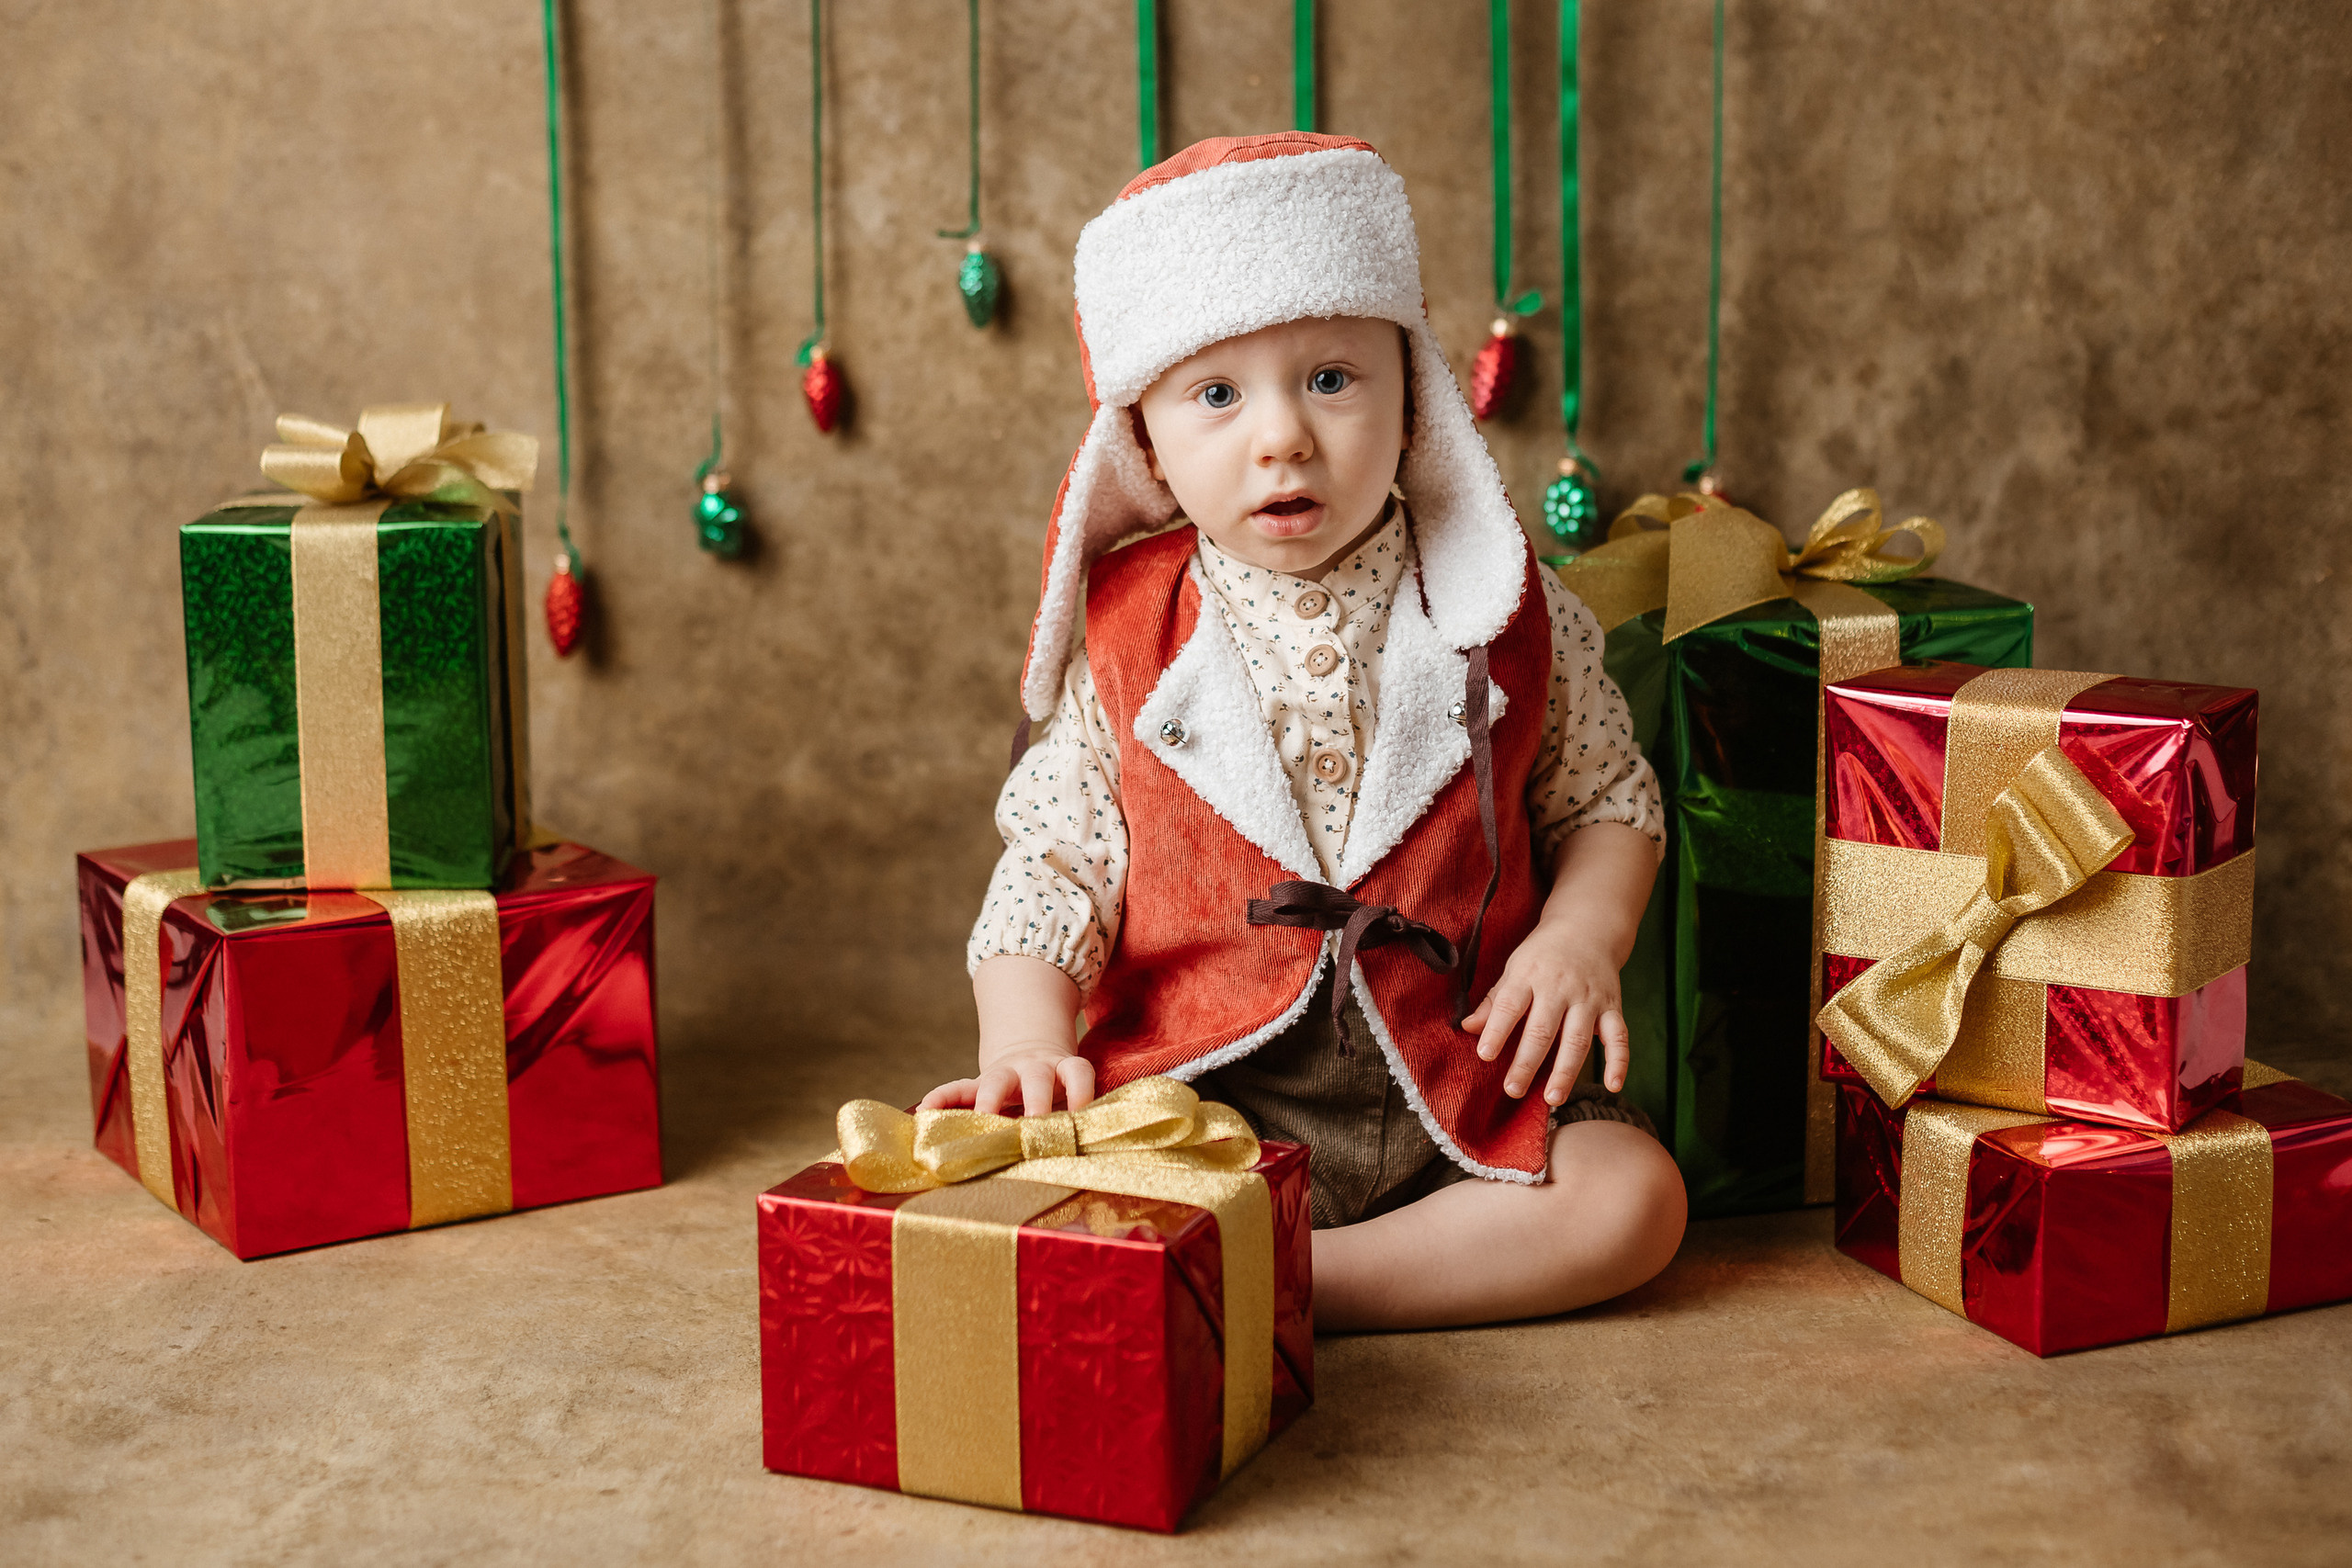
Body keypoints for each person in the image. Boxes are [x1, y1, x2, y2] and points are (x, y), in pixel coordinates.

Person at [927, 133, 1686, 1331]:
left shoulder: (1503, 602)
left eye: (1331, 378)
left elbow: (1606, 802)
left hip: (1462, 1073)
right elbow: (1054, 865)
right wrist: (1025, 1041)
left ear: (1412, 394)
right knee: (1066, 1194)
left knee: (1632, 1197)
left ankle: (1299, 1283)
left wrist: (1582, 936)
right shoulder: (1126, 636)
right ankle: (1231, 1239)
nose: (1281, 435)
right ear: (1147, 445)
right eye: (1218, 396)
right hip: (1209, 1090)